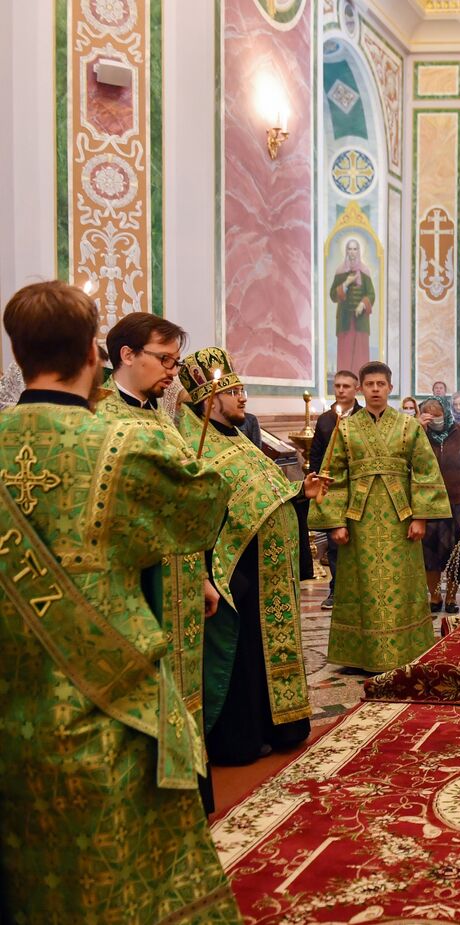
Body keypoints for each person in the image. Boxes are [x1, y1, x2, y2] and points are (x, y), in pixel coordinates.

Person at [0, 281, 240, 922]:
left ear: (19, 351)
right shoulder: (123, 444)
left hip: (10, 696)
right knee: (123, 862)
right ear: (93, 352)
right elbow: (198, 513)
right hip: (110, 689)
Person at [96, 311, 220, 809]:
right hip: (137, 581)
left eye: (175, 359)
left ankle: (189, 785)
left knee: (184, 682)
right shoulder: (98, 416)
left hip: (180, 579)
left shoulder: (157, 416)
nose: (173, 371)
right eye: (164, 359)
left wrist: (204, 576)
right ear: (127, 354)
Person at [176, 347, 323, 769]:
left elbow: (265, 494)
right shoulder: (195, 446)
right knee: (239, 656)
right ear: (210, 398)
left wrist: (300, 492)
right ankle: (239, 737)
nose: (244, 398)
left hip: (267, 570)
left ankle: (277, 727)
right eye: (235, 391)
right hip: (233, 571)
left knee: (264, 651)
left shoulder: (240, 440)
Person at [309, 361, 451, 672]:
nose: (375, 389)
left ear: (389, 388)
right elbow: (333, 475)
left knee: (401, 585)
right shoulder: (345, 428)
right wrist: (335, 522)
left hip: (399, 518)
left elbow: (425, 471)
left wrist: (421, 518)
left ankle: (405, 648)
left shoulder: (408, 426)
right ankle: (363, 654)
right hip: (358, 521)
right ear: (361, 388)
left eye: (380, 384)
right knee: (362, 585)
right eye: (369, 384)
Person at [419, 396, 460, 613]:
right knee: (430, 556)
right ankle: (435, 597)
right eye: (429, 415)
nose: (434, 420)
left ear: (446, 413)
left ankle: (452, 598)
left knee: (456, 555)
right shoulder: (420, 436)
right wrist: (418, 430)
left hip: (458, 505)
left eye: (437, 415)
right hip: (428, 506)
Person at [310, 369, 362, 610]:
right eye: (337, 386)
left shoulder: (365, 417)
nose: (341, 390)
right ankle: (336, 589)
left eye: (346, 386)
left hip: (360, 488)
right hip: (333, 489)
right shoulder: (325, 420)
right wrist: (316, 481)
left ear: (356, 389)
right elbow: (317, 457)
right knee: (335, 543)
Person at [330, 238, 374, 373]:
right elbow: (333, 295)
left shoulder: (365, 271)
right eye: (350, 249)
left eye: (355, 249)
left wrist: (363, 304)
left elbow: (371, 294)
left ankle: (361, 383)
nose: (352, 252)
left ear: (359, 251)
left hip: (360, 321)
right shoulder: (340, 272)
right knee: (345, 352)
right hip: (344, 321)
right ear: (346, 251)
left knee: (360, 355)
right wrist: (346, 284)